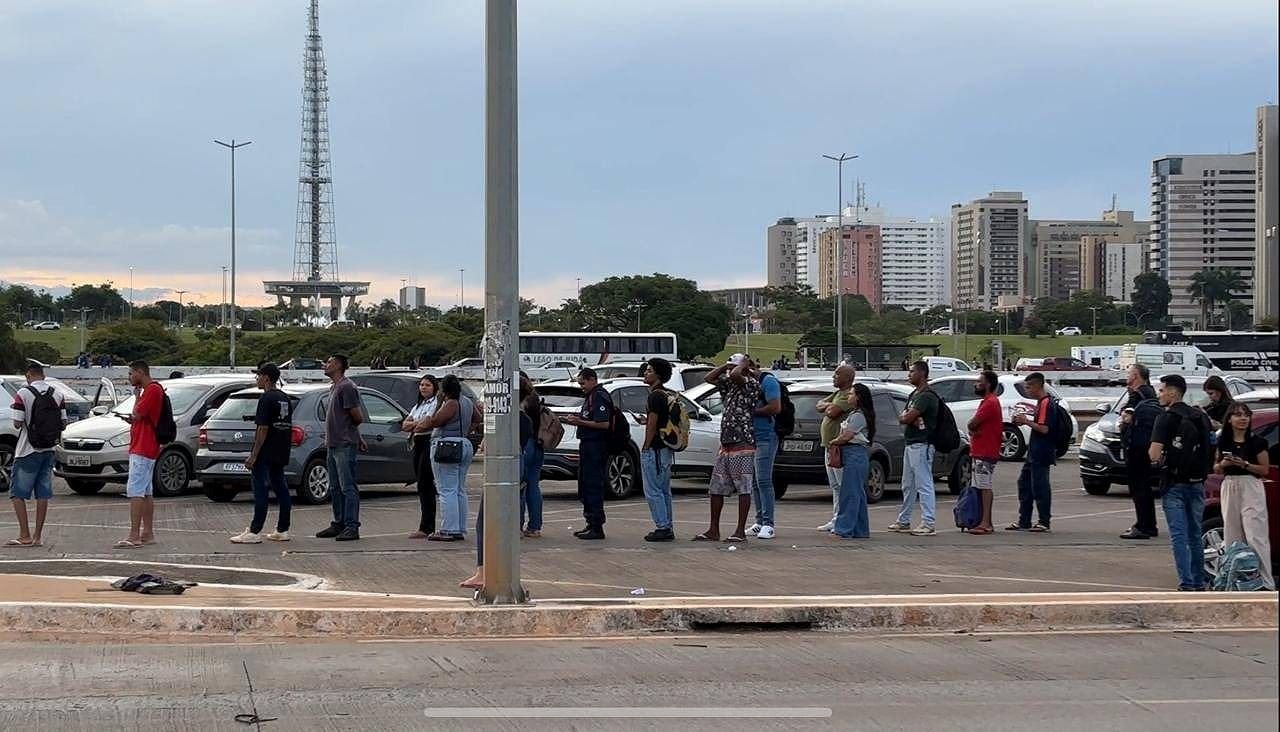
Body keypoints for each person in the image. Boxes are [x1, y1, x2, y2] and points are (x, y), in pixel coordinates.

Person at [462, 386, 534, 590]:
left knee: (486, 521)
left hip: (504, 466)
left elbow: (491, 444)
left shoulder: (508, 418)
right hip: (513, 464)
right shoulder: (522, 419)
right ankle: (489, 571)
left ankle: (485, 572)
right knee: (498, 519)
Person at [1149, 374, 1214, 591]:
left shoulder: (1166, 418)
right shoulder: (1200, 416)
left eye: (1161, 390)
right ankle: (1198, 580)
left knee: (1179, 535)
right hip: (1197, 481)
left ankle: (1186, 581)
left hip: (1174, 482)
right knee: (1195, 534)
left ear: (1172, 392)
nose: (1159, 394)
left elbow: (1154, 454)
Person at [697, 354, 760, 543]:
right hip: (727, 442)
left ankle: (740, 531)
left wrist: (742, 366)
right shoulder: (730, 386)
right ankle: (713, 529)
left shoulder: (751, 384)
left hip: (743, 441)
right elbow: (709, 378)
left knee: (743, 488)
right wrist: (726, 364)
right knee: (716, 488)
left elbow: (735, 375)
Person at [1213, 403, 1274, 589]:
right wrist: (1223, 463)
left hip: (1250, 485)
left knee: (1256, 533)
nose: (1243, 419)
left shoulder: (1257, 442)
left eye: (1246, 415)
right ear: (1229, 419)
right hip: (1230, 484)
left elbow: (1265, 469)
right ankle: (1234, 579)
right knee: (1232, 534)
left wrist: (1245, 464)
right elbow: (1215, 468)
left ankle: (1265, 581)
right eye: (1238, 415)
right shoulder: (1223, 441)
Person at [230, 363, 293, 544]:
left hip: (266, 451)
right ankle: (283, 529)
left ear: (266, 378)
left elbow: (262, 428)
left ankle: (254, 530)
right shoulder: (285, 398)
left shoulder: (266, 399)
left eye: (258, 376)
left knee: (260, 489)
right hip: (281, 449)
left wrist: (254, 454)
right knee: (281, 488)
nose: (257, 379)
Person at [6, 360, 66, 548]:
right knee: (43, 494)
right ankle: (38, 536)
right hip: (49, 449)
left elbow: (17, 423)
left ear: (28, 375)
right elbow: (63, 423)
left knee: (17, 493)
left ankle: (24, 534)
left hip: (27, 450)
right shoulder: (57, 393)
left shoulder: (23, 393)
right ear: (44, 375)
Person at [315, 354, 366, 542]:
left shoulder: (346, 387)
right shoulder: (334, 387)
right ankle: (339, 522)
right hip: (333, 443)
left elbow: (357, 417)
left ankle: (352, 526)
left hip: (344, 443)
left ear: (337, 365)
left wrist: (354, 437)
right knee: (335, 487)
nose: (325, 365)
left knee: (348, 486)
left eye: (328, 362)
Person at [423, 375, 480, 541]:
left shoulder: (450, 403)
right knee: (459, 489)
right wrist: (467, 430)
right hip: (464, 443)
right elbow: (478, 418)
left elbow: (436, 421)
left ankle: (448, 528)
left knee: (446, 489)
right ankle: (459, 527)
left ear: (444, 389)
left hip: (447, 444)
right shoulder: (467, 402)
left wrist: (437, 407)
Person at [115, 360, 164, 549]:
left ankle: (134, 534)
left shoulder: (151, 390)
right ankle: (147, 532)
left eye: (130, 373)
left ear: (140, 372)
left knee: (135, 490)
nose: (129, 377)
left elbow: (138, 414)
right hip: (146, 445)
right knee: (146, 490)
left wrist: (136, 397)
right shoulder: (153, 390)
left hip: (143, 446)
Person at [890, 361, 940, 536]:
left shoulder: (926, 395)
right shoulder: (914, 394)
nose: (908, 375)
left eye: (912, 372)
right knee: (908, 484)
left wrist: (909, 417)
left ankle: (928, 522)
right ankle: (904, 520)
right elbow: (903, 416)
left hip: (922, 444)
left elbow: (907, 417)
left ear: (922, 373)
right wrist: (909, 417)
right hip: (911, 443)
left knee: (923, 483)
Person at [562, 368, 612, 540]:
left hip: (596, 446)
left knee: (593, 485)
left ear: (592, 380)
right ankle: (590, 522)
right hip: (587, 445)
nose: (581, 387)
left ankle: (597, 526)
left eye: (583, 383)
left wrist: (579, 422)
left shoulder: (599, 396)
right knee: (584, 484)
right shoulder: (590, 397)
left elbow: (603, 423)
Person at [1007, 372, 1055, 533]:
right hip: (1034, 451)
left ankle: (1044, 520)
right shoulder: (1041, 403)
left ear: (1037, 386)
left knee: (1040, 486)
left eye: (1028, 387)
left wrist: (1026, 421)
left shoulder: (1046, 403)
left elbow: (1044, 428)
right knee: (1024, 484)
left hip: (1041, 451)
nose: (1027, 390)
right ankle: (1024, 520)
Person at [1119, 364, 1161, 540]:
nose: (1127, 376)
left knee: (1139, 487)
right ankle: (1148, 524)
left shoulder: (1140, 394)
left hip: (1138, 447)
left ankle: (1144, 525)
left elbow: (1128, 415)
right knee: (1143, 487)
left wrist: (1125, 418)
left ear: (1136, 376)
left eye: (1129, 373)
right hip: (1143, 446)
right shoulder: (1148, 393)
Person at [829, 383, 875, 539]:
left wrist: (834, 441)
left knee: (849, 493)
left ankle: (843, 529)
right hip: (854, 455)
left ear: (859, 397)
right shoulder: (854, 414)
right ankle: (860, 529)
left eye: (851, 394)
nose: (849, 396)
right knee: (857, 494)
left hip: (854, 454)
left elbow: (847, 435)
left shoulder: (858, 416)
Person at [638, 357, 676, 542]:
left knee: (653, 489)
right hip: (666, 448)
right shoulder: (667, 394)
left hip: (655, 448)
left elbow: (653, 423)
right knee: (663, 489)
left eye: (650, 370)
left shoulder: (654, 396)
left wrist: (646, 445)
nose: (646, 372)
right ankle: (667, 524)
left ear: (659, 375)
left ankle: (662, 526)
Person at [815, 364, 856, 531]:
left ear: (847, 378)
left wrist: (828, 406)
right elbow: (820, 406)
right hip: (829, 446)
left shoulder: (848, 395)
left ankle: (844, 520)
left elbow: (833, 412)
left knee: (842, 485)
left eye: (837, 375)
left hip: (840, 447)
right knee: (835, 486)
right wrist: (828, 405)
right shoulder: (837, 393)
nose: (834, 377)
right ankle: (836, 518)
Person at [746, 360, 782, 540]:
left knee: (764, 480)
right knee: (754, 482)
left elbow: (775, 407)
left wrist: (751, 411)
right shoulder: (747, 382)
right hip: (751, 437)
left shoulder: (768, 382)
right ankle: (759, 520)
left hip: (765, 436)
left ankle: (768, 523)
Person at [966, 370, 1003, 535]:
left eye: (979, 381)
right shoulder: (988, 402)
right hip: (982, 450)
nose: (976, 384)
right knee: (980, 486)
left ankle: (986, 522)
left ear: (987, 384)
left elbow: (973, 423)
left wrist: (972, 428)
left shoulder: (990, 402)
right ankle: (981, 520)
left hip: (985, 451)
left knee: (984, 486)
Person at [404, 375, 440, 539]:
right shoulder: (418, 405)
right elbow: (405, 424)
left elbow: (426, 423)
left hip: (427, 440)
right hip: (416, 442)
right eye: (421, 385)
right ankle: (425, 524)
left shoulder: (435, 404)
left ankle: (427, 526)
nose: (423, 388)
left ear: (434, 387)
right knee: (420, 483)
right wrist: (415, 424)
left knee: (426, 483)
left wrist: (415, 424)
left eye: (427, 385)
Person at [520, 374, 545, 538]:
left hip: (525, 444)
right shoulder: (535, 398)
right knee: (534, 486)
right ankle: (535, 526)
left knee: (519, 486)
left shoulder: (520, 402)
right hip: (538, 443)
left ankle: (517, 525)